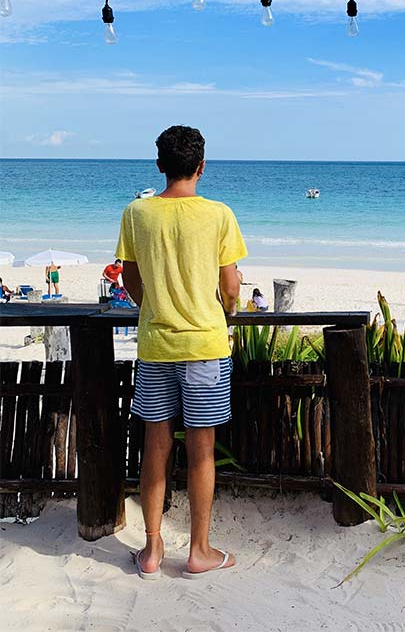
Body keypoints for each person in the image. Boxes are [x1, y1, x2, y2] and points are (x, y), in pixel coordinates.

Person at [116, 125, 247, 580]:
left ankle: (151, 551)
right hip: (206, 344)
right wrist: (224, 311)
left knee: (155, 446)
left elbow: (129, 279)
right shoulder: (219, 214)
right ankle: (199, 550)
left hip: (156, 343)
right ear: (202, 166)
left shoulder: (137, 213)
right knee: (202, 450)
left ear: (159, 166)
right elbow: (231, 287)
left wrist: (151, 306)